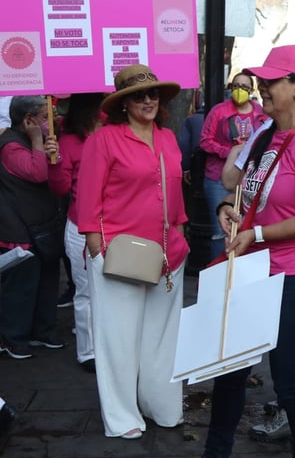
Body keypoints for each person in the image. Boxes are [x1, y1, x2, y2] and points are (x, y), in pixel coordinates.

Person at [164, 45, 295, 458]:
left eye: (272, 80)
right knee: (231, 370)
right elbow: (246, 196)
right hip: (256, 272)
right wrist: (226, 209)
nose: (261, 85)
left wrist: (257, 230)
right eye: (261, 78)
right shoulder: (267, 138)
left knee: (290, 380)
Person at [76, 64, 188, 438]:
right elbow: (87, 200)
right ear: (124, 103)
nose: (147, 100)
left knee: (163, 337)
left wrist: (182, 234)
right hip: (120, 252)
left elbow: (176, 193)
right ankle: (123, 417)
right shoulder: (104, 140)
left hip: (169, 253)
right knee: (119, 339)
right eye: (138, 95)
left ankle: (163, 406)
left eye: (153, 93)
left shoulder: (169, 139)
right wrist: (96, 249)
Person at [0, 95, 66, 359]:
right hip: (19, 230)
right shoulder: (10, 147)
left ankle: (43, 331)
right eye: (44, 117)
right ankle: (13, 338)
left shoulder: (29, 141)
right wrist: (39, 141)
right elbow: (37, 173)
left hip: (42, 227)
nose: (52, 121)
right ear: (28, 121)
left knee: (47, 283)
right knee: (21, 289)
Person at [53, 93, 105, 372]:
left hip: (115, 225)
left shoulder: (115, 132)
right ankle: (88, 352)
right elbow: (61, 187)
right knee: (85, 291)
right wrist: (53, 160)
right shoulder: (69, 141)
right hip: (80, 227)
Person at [200, 72, 268, 259]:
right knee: (222, 229)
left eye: (245, 87)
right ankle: (218, 270)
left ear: (251, 90)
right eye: (236, 86)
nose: (240, 90)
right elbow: (205, 141)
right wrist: (231, 152)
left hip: (248, 180)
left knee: (245, 228)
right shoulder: (219, 111)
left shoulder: (260, 112)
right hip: (217, 179)